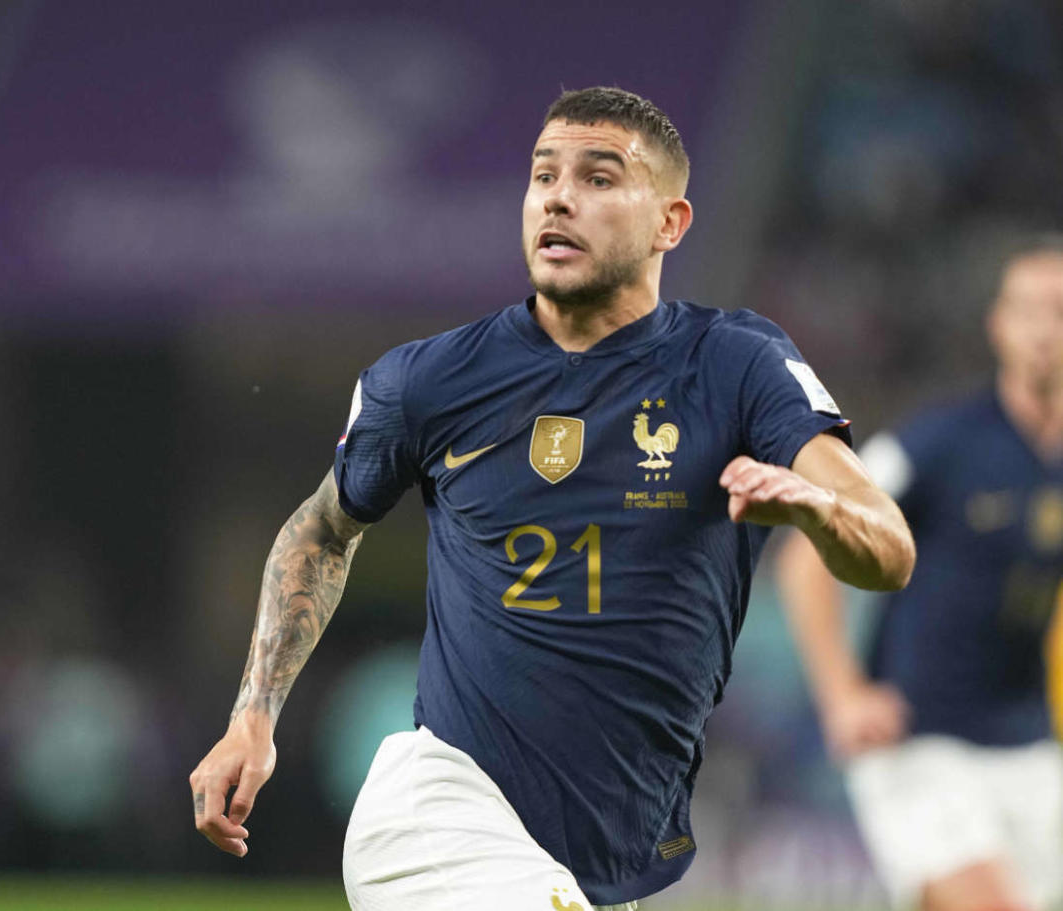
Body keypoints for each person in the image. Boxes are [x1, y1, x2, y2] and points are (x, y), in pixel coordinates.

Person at [190, 86, 915, 910]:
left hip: (609, 855)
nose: (560, 196)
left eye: (600, 179)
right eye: (544, 176)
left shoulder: (736, 366)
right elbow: (323, 529)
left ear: (670, 224)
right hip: (442, 810)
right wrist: (253, 712)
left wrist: (817, 511)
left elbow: (888, 546)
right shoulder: (428, 381)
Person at [776, 237, 1063, 911]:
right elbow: (806, 552)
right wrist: (843, 694)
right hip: (918, 738)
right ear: (998, 325)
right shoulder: (939, 442)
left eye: (1058, 309)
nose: (1044, 328)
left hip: (1030, 744)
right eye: (1027, 309)